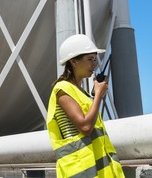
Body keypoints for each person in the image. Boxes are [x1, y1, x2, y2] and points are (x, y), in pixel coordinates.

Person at [46, 34, 125, 178]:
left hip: (93, 168)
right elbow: (85, 127)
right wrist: (99, 96)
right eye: (89, 59)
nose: (94, 64)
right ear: (74, 62)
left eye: (95, 59)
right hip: (79, 170)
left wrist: (95, 96)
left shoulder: (82, 93)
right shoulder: (62, 89)